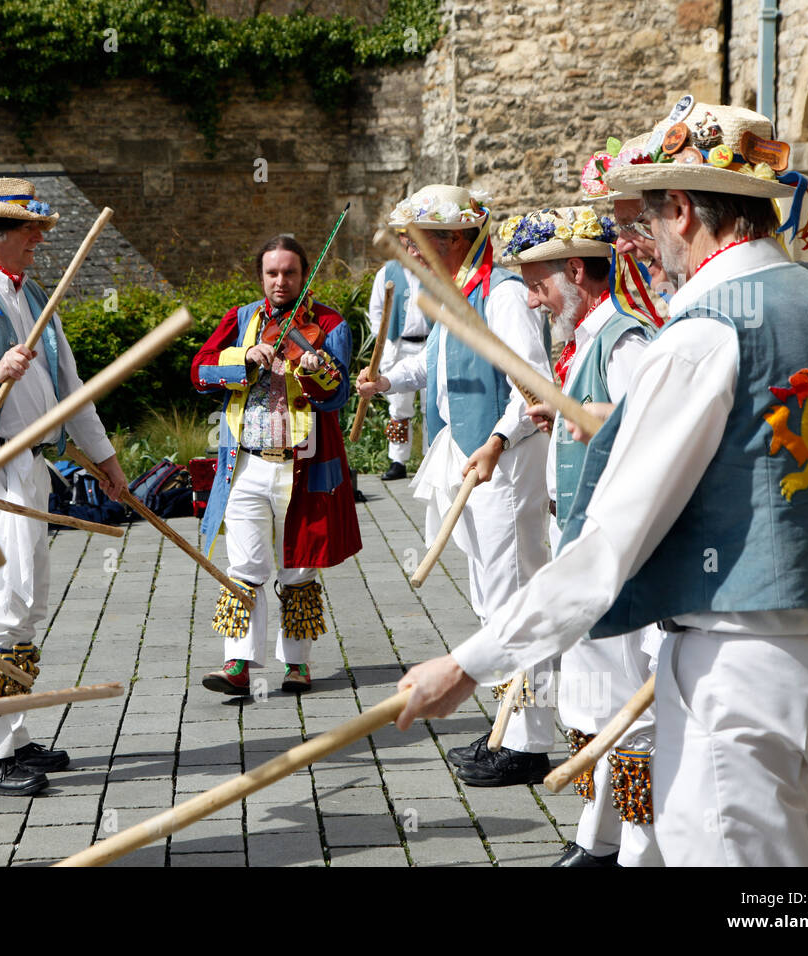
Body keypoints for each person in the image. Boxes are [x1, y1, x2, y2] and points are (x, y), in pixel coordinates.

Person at [393, 103, 808, 865]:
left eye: (645, 219)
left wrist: (469, 663)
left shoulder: (701, 336)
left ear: (682, 211)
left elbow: (611, 546)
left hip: (733, 675)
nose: (642, 243)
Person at [0, 178, 126, 797]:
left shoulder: (35, 292)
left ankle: (11, 734)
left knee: (28, 606)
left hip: (30, 465)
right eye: (28, 228)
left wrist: (106, 459)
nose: (39, 238)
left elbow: (72, 386)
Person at [357, 184, 556, 786]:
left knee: (513, 597)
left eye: (418, 242)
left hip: (505, 462)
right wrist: (387, 381)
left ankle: (527, 742)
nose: (411, 254)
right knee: (489, 598)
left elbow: (534, 384)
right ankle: (509, 728)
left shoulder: (502, 295)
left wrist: (497, 440)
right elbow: (435, 364)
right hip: (469, 458)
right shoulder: (455, 291)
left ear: (454, 239)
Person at [500, 204, 661, 866]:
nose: (532, 300)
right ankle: (601, 840)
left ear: (574, 272)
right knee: (592, 700)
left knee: (625, 705)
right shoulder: (587, 342)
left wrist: (593, 416)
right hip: (583, 542)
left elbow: (654, 430)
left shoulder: (624, 342)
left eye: (538, 284)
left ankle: (639, 851)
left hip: (618, 550)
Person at [191, 234, 361, 695]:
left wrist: (315, 369)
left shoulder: (329, 325)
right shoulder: (241, 319)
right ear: (261, 276)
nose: (280, 281)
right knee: (243, 565)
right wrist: (243, 358)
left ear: (304, 274)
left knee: (298, 567)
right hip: (245, 463)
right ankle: (237, 664)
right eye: (272, 273)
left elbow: (337, 396)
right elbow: (200, 371)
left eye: (289, 272)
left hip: (301, 466)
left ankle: (297, 664)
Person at [365, 235, 427, 479]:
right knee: (399, 407)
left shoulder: (435, 271)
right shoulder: (388, 272)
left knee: (431, 406)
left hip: (429, 343)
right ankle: (398, 460)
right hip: (398, 345)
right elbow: (376, 310)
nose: (416, 250)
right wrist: (382, 340)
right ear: (403, 241)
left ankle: (429, 458)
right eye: (412, 244)